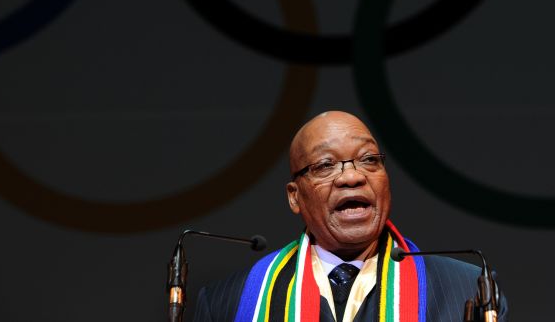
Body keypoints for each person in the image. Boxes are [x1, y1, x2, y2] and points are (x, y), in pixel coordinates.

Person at [192, 110, 508, 322]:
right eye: (325, 165)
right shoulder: (228, 302)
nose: (352, 177)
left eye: (369, 159)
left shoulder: (467, 288)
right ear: (295, 197)